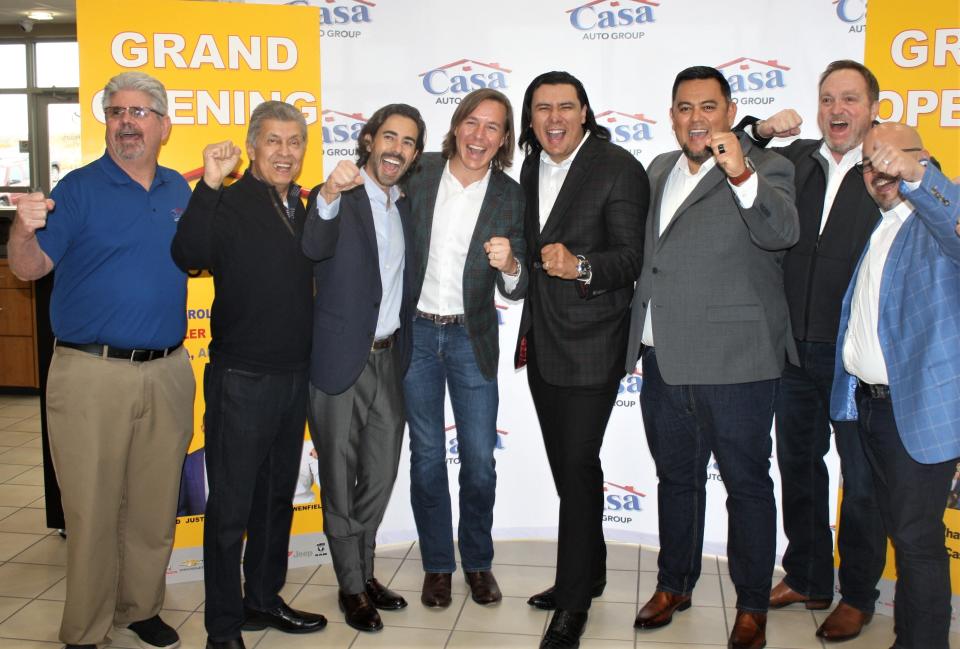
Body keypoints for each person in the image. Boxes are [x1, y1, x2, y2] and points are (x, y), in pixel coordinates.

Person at [7, 71, 194, 649]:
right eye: (116, 112)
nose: (126, 122)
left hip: (166, 371)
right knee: (89, 510)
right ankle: (86, 630)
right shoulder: (80, 189)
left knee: (154, 503)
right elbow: (28, 268)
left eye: (139, 113)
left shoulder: (177, 191)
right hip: (92, 373)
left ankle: (140, 608)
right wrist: (21, 228)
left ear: (164, 125)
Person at [624, 66, 798, 649]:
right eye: (684, 108)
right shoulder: (655, 171)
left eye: (707, 106)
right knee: (676, 479)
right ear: (671, 115)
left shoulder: (768, 167)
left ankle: (752, 604)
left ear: (729, 111)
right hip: (663, 358)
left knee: (747, 485)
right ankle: (675, 583)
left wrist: (741, 169)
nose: (696, 118)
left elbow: (781, 234)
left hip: (738, 361)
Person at [738, 59, 888, 642]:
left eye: (849, 99)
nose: (837, 110)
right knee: (798, 466)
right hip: (793, 351)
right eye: (828, 99)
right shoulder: (795, 159)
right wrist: (763, 128)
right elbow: (734, 155)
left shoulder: (889, 167)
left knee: (862, 479)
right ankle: (806, 574)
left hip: (856, 356)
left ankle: (857, 595)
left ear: (874, 108)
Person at [171, 100, 326, 649]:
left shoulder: (305, 206)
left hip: (294, 376)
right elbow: (188, 253)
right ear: (253, 146)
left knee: (275, 500)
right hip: (241, 378)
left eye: (295, 143)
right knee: (230, 509)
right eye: (274, 142)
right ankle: (222, 629)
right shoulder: (229, 200)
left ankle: (262, 599)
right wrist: (208, 185)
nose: (285, 153)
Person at [514, 71, 648, 649]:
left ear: (585, 112)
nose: (553, 118)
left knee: (577, 466)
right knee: (574, 470)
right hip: (542, 343)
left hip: (593, 344)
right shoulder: (528, 167)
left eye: (565, 106)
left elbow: (629, 258)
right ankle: (587, 574)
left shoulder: (618, 167)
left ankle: (572, 604)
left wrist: (581, 267)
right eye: (542, 108)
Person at [830, 122, 960, 649]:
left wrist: (916, 176)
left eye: (888, 159)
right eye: (869, 164)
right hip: (871, 408)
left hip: (916, 412)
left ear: (920, 159)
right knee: (902, 536)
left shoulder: (933, 222)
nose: (877, 171)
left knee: (916, 542)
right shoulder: (882, 226)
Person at [302, 103, 425, 633]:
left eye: (409, 142)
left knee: (378, 475)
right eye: (389, 137)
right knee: (337, 479)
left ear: (415, 154)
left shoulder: (406, 207)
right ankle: (351, 585)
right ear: (370, 139)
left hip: (388, 359)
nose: (397, 149)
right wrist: (328, 193)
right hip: (336, 362)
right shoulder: (338, 197)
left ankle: (365, 569)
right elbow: (313, 243)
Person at [403, 88, 527, 609]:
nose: (480, 135)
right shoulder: (419, 172)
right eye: (472, 123)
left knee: (478, 459)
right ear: (456, 126)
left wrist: (511, 265)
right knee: (427, 456)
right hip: (414, 335)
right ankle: (437, 566)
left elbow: (517, 288)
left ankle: (477, 561)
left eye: (492, 127)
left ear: (504, 139)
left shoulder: (511, 195)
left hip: (469, 337)